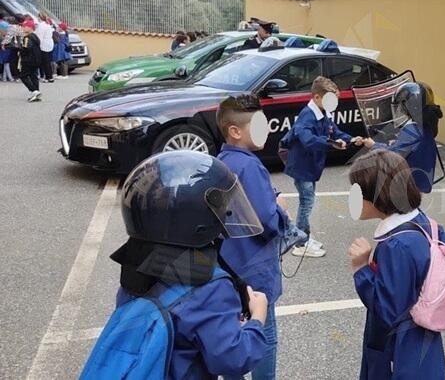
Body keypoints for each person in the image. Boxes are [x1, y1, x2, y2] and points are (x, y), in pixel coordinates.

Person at [103, 150, 270, 378]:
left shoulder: (135, 265)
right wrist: (257, 319)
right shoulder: (210, 287)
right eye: (220, 210)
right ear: (197, 221)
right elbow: (233, 359)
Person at [347, 148, 445, 379]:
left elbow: (386, 310)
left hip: (397, 346)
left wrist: (361, 268)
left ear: (378, 197)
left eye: (358, 193)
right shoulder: (423, 222)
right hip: (424, 336)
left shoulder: (396, 246)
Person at [216, 95, 301, 380]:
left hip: (229, 266)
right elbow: (267, 222)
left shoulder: (222, 160)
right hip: (254, 268)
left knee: (232, 337)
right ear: (235, 131)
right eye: (259, 124)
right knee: (264, 336)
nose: (266, 128)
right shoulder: (250, 166)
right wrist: (280, 209)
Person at [283, 76, 363, 257]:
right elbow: (308, 140)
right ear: (317, 97)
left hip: (311, 166)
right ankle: (301, 243)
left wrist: (351, 139)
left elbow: (334, 131)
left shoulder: (323, 113)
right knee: (306, 203)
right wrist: (332, 144)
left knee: (307, 202)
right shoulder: (307, 116)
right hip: (302, 167)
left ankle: (304, 236)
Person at [360, 82, 441, 193]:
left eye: (400, 107)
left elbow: (393, 155)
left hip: (407, 187)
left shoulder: (412, 130)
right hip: (417, 184)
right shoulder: (425, 126)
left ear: (408, 107)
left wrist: (374, 145)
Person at [18, 19, 43, 102]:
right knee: (33, 75)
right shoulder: (35, 37)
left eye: (24, 26)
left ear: (30, 28)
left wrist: (19, 50)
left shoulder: (27, 38)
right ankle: (37, 92)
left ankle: (33, 91)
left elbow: (25, 49)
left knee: (23, 76)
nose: (22, 28)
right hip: (36, 60)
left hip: (28, 60)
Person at [36, 15, 55, 83]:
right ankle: (50, 76)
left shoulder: (41, 25)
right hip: (49, 44)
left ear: (40, 18)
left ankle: (47, 77)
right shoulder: (48, 25)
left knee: (44, 62)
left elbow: (39, 36)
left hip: (43, 45)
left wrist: (38, 45)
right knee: (48, 62)